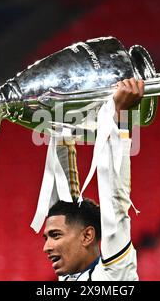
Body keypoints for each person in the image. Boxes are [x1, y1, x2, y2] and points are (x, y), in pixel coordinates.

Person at [42, 78, 144, 281]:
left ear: (87, 236)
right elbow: (62, 189)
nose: (46, 247)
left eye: (55, 235)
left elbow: (115, 203)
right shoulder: (70, 277)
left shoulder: (114, 276)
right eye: (47, 237)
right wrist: (58, 121)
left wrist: (118, 115)